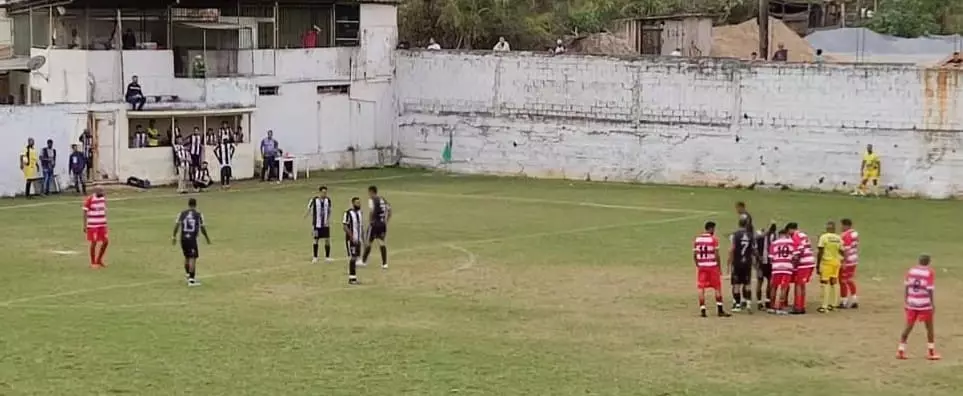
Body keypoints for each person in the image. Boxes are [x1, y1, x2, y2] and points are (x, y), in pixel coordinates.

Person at [897, 255, 939, 360]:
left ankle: (901, 350)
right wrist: (932, 303)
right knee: (929, 328)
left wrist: (906, 299)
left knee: (908, 327)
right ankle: (931, 352)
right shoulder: (929, 272)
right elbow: (929, 289)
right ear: (929, 262)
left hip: (912, 302)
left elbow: (906, 286)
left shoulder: (911, 271)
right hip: (924, 303)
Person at [693, 221, 731, 317]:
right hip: (712, 266)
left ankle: (702, 309)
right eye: (713, 229)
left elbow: (695, 255)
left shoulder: (697, 240)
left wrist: (698, 264)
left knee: (701, 287)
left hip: (702, 266)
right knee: (717, 287)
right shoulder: (713, 239)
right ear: (710, 229)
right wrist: (719, 267)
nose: (714, 231)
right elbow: (716, 255)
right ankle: (720, 310)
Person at [172, 198, 210, 287]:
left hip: (183, 238)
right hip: (192, 238)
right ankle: (191, 280)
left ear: (188, 205)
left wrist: (173, 236)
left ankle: (188, 274)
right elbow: (202, 227)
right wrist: (207, 237)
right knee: (192, 258)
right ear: (195, 205)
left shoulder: (182, 213)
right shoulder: (198, 215)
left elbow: (177, 225)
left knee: (187, 257)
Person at [787, 222, 815, 314]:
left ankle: (798, 307)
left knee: (798, 284)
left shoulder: (795, 236)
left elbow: (800, 250)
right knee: (802, 285)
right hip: (810, 262)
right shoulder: (803, 235)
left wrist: (795, 263)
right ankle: (801, 305)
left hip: (804, 263)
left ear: (791, 229)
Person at [816, 221, 844, 313]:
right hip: (836, 261)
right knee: (834, 281)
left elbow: (820, 251)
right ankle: (833, 304)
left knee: (825, 282)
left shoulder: (824, 237)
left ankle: (824, 306)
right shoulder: (838, 238)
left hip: (827, 261)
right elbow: (842, 251)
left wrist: (818, 264)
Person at [361, 185, 392, 269]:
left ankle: (363, 261)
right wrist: (386, 221)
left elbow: (372, 210)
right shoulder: (383, 199)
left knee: (368, 242)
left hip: (374, 224)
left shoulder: (372, 200)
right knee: (381, 242)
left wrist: (370, 221)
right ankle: (384, 263)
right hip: (382, 224)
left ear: (371, 192)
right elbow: (389, 210)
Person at [768, 228, 797, 315]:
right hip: (787, 268)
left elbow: (771, 258)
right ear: (787, 234)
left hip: (776, 268)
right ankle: (780, 307)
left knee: (774, 287)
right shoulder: (792, 242)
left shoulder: (774, 243)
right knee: (784, 288)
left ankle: (772, 307)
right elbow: (795, 257)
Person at [727, 218, 753, 312]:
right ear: (746, 224)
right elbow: (754, 249)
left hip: (737, 262)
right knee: (747, 284)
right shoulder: (750, 235)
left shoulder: (735, 235)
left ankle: (737, 305)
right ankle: (748, 303)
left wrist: (729, 262)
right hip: (747, 262)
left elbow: (732, 249)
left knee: (736, 284)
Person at [305, 186, 333, 263]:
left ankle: (327, 257)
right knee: (315, 240)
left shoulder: (328, 200)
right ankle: (315, 257)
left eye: (326, 192)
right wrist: (308, 216)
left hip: (325, 224)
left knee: (327, 240)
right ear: (320, 192)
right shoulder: (314, 200)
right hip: (316, 225)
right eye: (323, 192)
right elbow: (309, 209)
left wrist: (328, 220)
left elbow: (329, 210)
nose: (325, 194)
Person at [83, 187, 109, 268]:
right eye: (101, 191)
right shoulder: (90, 199)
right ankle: (93, 262)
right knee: (94, 242)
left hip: (102, 224)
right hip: (93, 225)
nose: (103, 192)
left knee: (106, 241)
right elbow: (84, 212)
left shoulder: (103, 199)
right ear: (96, 191)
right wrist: (85, 225)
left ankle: (99, 260)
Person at [754, 223, 778, 310]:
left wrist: (758, 258)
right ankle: (766, 302)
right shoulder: (773, 236)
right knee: (768, 282)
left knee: (761, 282)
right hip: (769, 263)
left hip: (762, 262)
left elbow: (755, 249)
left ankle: (760, 302)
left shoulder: (759, 235)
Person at [839, 218, 860, 308]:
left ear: (846, 225)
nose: (841, 227)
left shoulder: (846, 235)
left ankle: (844, 301)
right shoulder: (855, 233)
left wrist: (844, 261)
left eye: (842, 225)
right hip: (854, 259)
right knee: (850, 279)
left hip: (847, 261)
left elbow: (846, 250)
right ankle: (854, 299)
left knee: (842, 280)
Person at [343, 197, 364, 285]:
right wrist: (351, 237)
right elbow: (345, 226)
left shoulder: (360, 213)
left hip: (358, 239)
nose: (358, 204)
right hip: (351, 240)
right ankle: (352, 278)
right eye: (357, 203)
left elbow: (361, 226)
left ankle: (353, 276)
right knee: (353, 257)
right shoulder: (348, 213)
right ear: (353, 204)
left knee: (356, 258)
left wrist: (362, 237)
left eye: (359, 203)